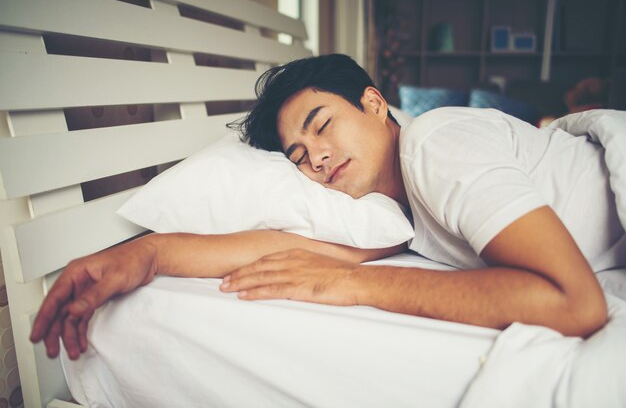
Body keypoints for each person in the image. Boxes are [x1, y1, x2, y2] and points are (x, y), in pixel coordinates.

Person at [32, 54, 624, 361]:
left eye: (322, 126)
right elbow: (294, 247)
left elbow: (575, 305)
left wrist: (357, 286)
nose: (314, 158)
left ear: (373, 103)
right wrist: (146, 253)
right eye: (297, 154)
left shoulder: (435, 146)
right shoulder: (392, 215)